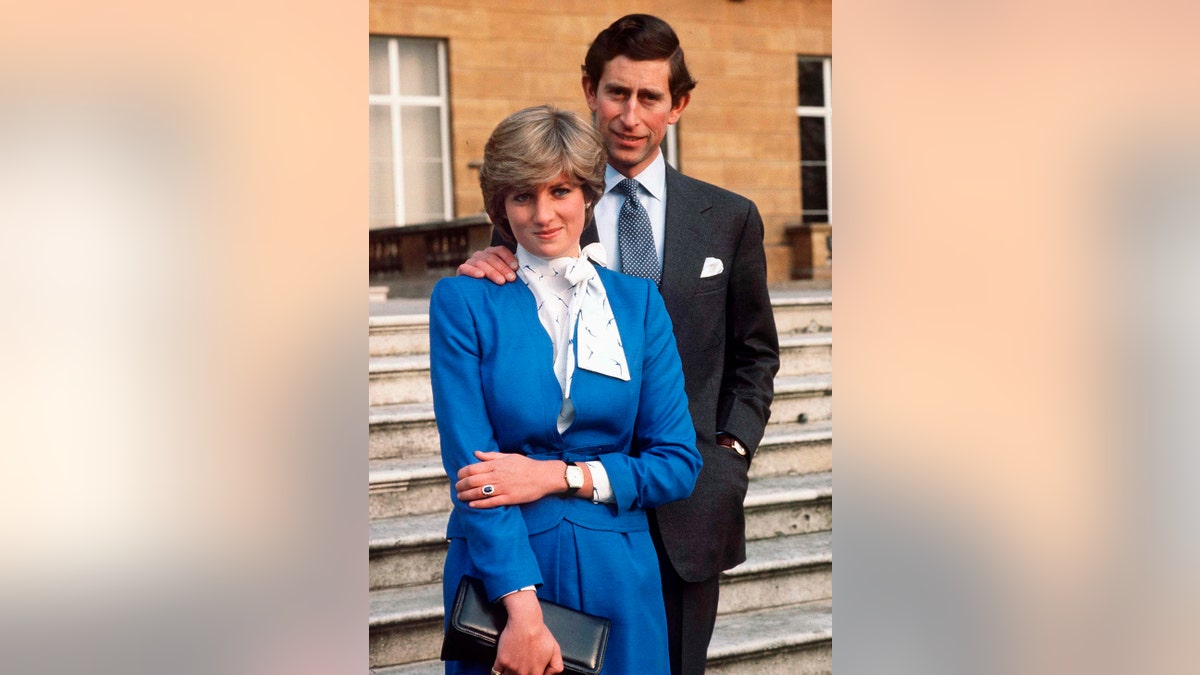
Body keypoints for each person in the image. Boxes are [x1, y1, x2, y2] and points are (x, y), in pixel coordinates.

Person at [457, 15, 780, 675]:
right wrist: (482, 263)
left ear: (677, 106)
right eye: (616, 93)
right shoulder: (553, 197)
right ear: (589, 91)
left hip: (685, 504)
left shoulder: (729, 217)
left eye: (650, 97)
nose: (630, 115)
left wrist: (730, 453)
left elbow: (756, 351)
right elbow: (514, 286)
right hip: (559, 520)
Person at [431, 104, 702, 675]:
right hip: (504, 573)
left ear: (587, 193)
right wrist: (523, 617)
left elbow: (676, 462)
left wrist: (555, 476)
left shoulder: (638, 304)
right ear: (500, 206)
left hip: (620, 574)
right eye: (522, 196)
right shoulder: (463, 302)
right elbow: (474, 473)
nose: (543, 213)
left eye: (559, 191)